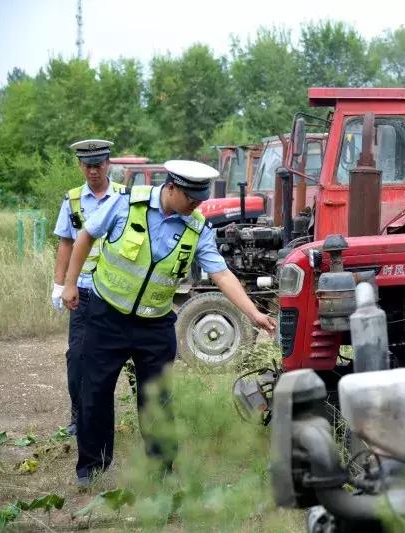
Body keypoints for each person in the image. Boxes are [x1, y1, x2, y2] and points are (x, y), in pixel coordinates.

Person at [61, 160, 276, 487]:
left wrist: (253, 313)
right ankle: (91, 469)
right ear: (171, 188)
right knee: (95, 395)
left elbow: (221, 273)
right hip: (107, 318)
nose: (197, 205)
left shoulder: (197, 227)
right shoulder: (126, 203)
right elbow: (86, 236)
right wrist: (70, 283)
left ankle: (160, 473)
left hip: (155, 326)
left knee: (158, 401)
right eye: (191, 198)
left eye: (200, 200)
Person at [51, 139, 124, 436]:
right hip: (82, 290)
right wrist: (58, 285)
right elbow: (66, 243)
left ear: (108, 164)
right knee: (78, 356)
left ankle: (140, 412)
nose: (94, 171)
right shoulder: (72, 200)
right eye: (88, 166)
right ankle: (78, 416)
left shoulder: (125, 197)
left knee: (125, 354)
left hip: (119, 291)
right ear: (81, 166)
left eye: (99, 165)